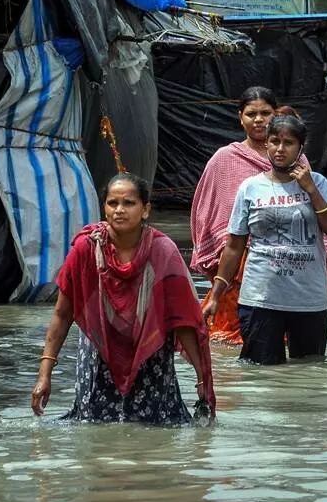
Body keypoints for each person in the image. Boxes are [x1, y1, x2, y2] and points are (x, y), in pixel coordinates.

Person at [31, 173, 215, 425]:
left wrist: (201, 378)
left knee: (156, 434)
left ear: (145, 210)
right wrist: (44, 375)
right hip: (99, 357)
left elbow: (182, 321)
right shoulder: (86, 250)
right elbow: (63, 315)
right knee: (94, 432)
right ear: (104, 208)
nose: (119, 210)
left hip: (151, 360)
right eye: (112, 203)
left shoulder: (163, 252)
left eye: (128, 203)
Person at [190, 89, 327, 346]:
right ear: (240, 117)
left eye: (265, 113)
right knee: (245, 353)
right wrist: (218, 288)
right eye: (251, 114)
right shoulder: (229, 163)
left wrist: (310, 189)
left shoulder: (308, 173)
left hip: (305, 287)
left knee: (305, 364)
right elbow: (210, 214)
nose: (258, 120)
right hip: (250, 276)